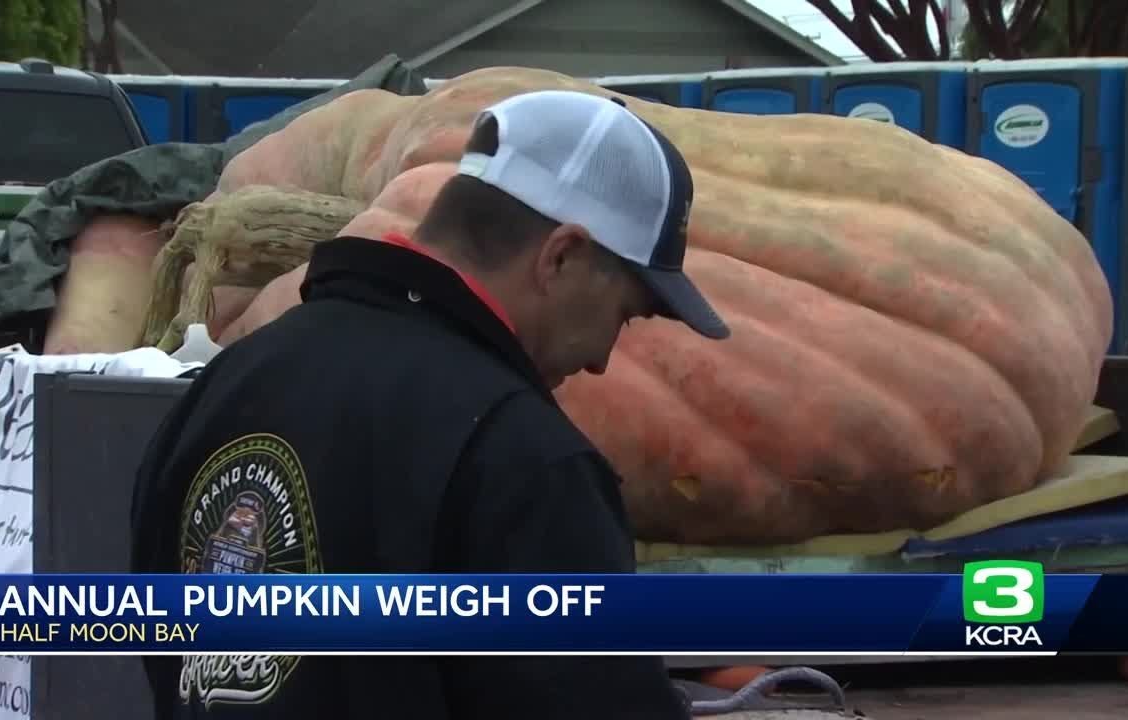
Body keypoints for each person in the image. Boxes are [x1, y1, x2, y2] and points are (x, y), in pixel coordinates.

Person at [129, 89, 729, 719]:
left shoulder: (219, 389)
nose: (604, 357)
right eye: (622, 314)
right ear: (562, 256)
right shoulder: (526, 464)